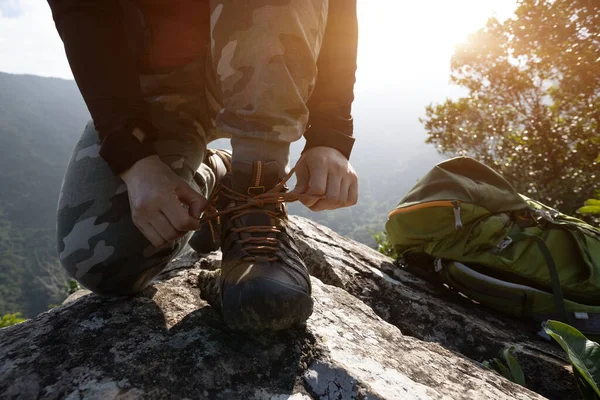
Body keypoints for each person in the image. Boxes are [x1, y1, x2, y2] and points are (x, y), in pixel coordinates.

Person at [48, 0, 358, 331]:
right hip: (157, 81)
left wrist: (330, 133)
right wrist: (135, 159)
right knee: (101, 259)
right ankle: (217, 175)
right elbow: (82, 11)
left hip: (269, 61)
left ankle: (255, 189)